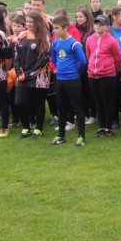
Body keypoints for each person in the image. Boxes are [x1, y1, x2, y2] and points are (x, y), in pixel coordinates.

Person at [13, 10, 51, 139]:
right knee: (19, 102)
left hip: (39, 77)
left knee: (38, 103)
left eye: (31, 22)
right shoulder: (22, 35)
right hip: (22, 76)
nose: (28, 24)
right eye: (27, 21)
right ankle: (26, 128)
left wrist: (29, 74)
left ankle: (38, 130)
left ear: (38, 22)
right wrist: (19, 72)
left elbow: (44, 59)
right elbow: (16, 56)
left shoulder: (44, 37)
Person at [50, 15, 87, 146]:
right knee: (61, 108)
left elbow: (83, 61)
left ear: (66, 28)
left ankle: (81, 137)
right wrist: (57, 69)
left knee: (77, 108)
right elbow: (53, 58)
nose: (54, 31)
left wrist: (76, 73)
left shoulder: (74, 43)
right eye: (54, 28)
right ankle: (61, 136)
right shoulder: (56, 42)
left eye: (57, 28)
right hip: (60, 79)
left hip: (72, 80)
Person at [85, 15, 121, 139]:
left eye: (101, 24)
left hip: (107, 75)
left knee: (107, 101)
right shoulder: (90, 39)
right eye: (96, 24)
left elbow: (118, 59)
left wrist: (110, 69)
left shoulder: (112, 41)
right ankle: (101, 127)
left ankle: (108, 127)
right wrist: (92, 68)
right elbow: (89, 55)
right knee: (98, 101)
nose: (98, 26)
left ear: (107, 27)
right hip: (92, 75)